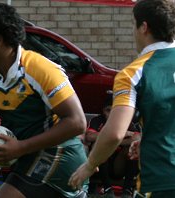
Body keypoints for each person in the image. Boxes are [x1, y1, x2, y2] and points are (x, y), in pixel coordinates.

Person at [0, 2, 88, 198]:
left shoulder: (40, 69)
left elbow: (77, 122)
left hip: (59, 155)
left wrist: (20, 147)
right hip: (24, 157)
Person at [68, 0, 175, 197]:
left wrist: (90, 165)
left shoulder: (134, 73)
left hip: (164, 178)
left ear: (143, 27)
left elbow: (115, 133)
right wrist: (147, 136)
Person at [85, 96, 140, 198]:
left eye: (113, 110)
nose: (110, 114)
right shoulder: (97, 120)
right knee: (101, 147)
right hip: (99, 165)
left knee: (133, 148)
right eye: (108, 110)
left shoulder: (127, 121)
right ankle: (107, 190)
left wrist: (111, 141)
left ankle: (127, 191)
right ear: (103, 111)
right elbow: (89, 136)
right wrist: (121, 135)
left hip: (118, 166)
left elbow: (136, 138)